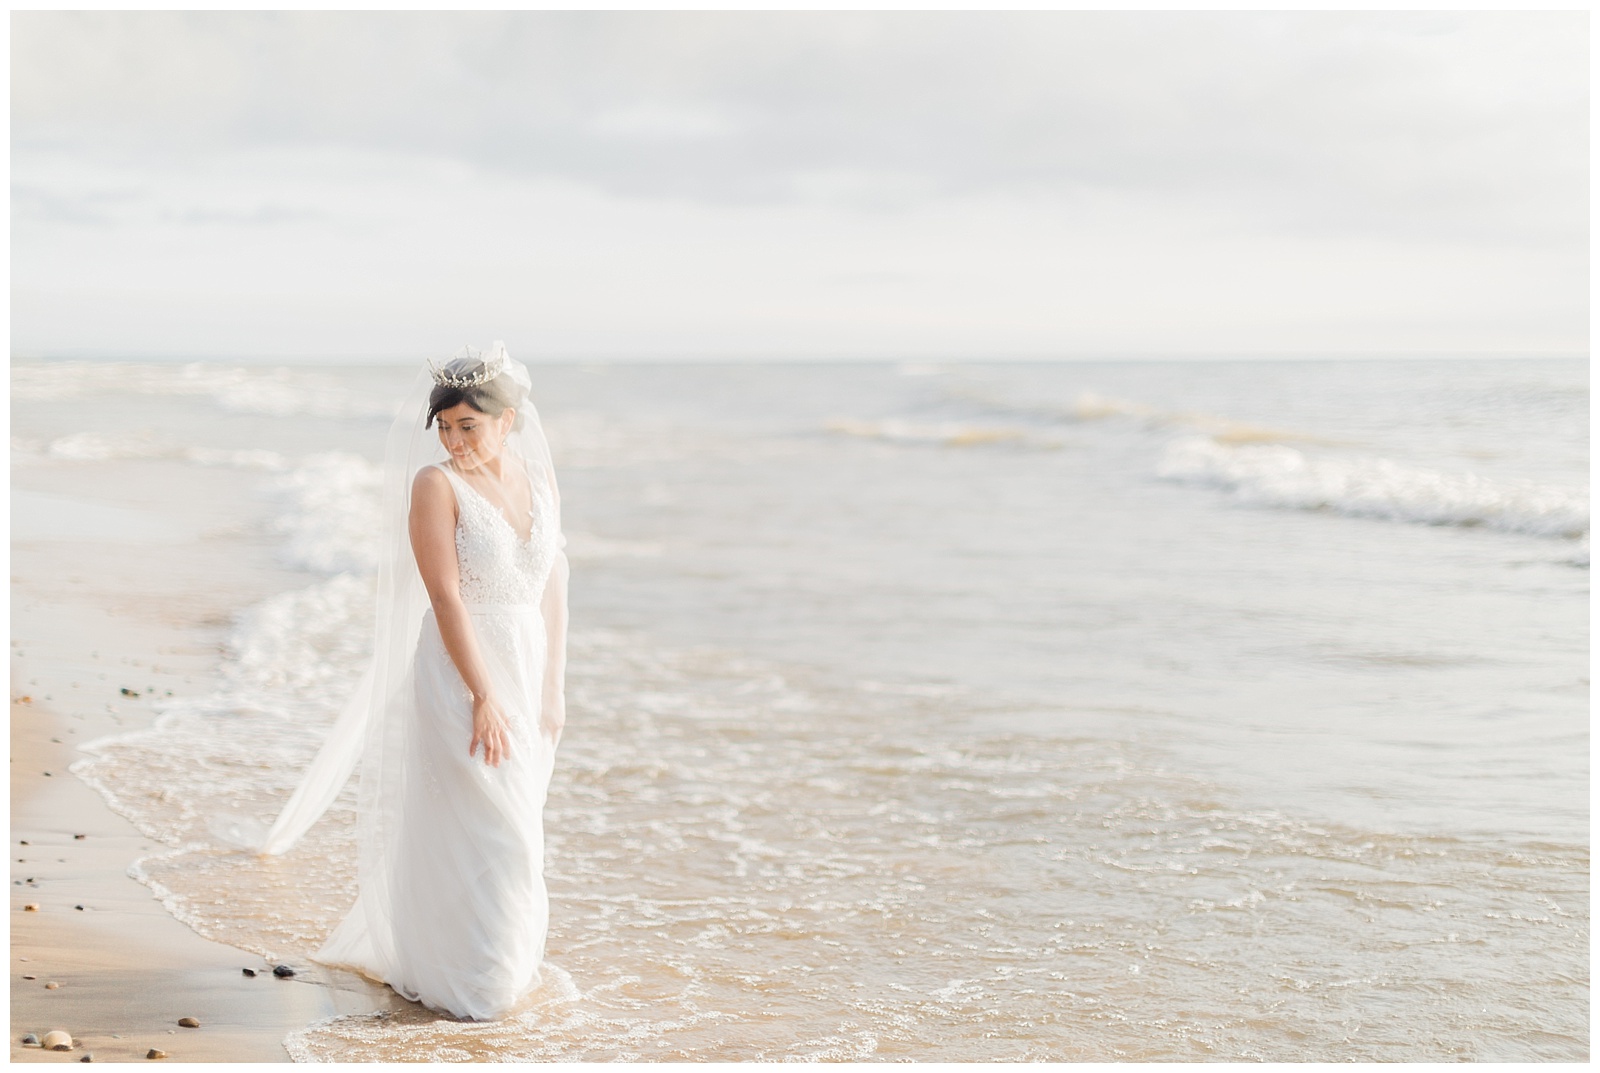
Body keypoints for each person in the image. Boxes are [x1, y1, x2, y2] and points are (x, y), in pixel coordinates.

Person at [257, 342, 569, 1021]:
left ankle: (500, 964)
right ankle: (474, 981)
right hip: (463, 669)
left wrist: (553, 688)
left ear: (507, 420)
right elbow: (446, 596)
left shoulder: (537, 481)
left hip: (526, 662)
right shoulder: (435, 485)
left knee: (520, 826)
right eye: (447, 427)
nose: (455, 441)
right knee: (494, 827)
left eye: (470, 426)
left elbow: (554, 586)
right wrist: (483, 694)